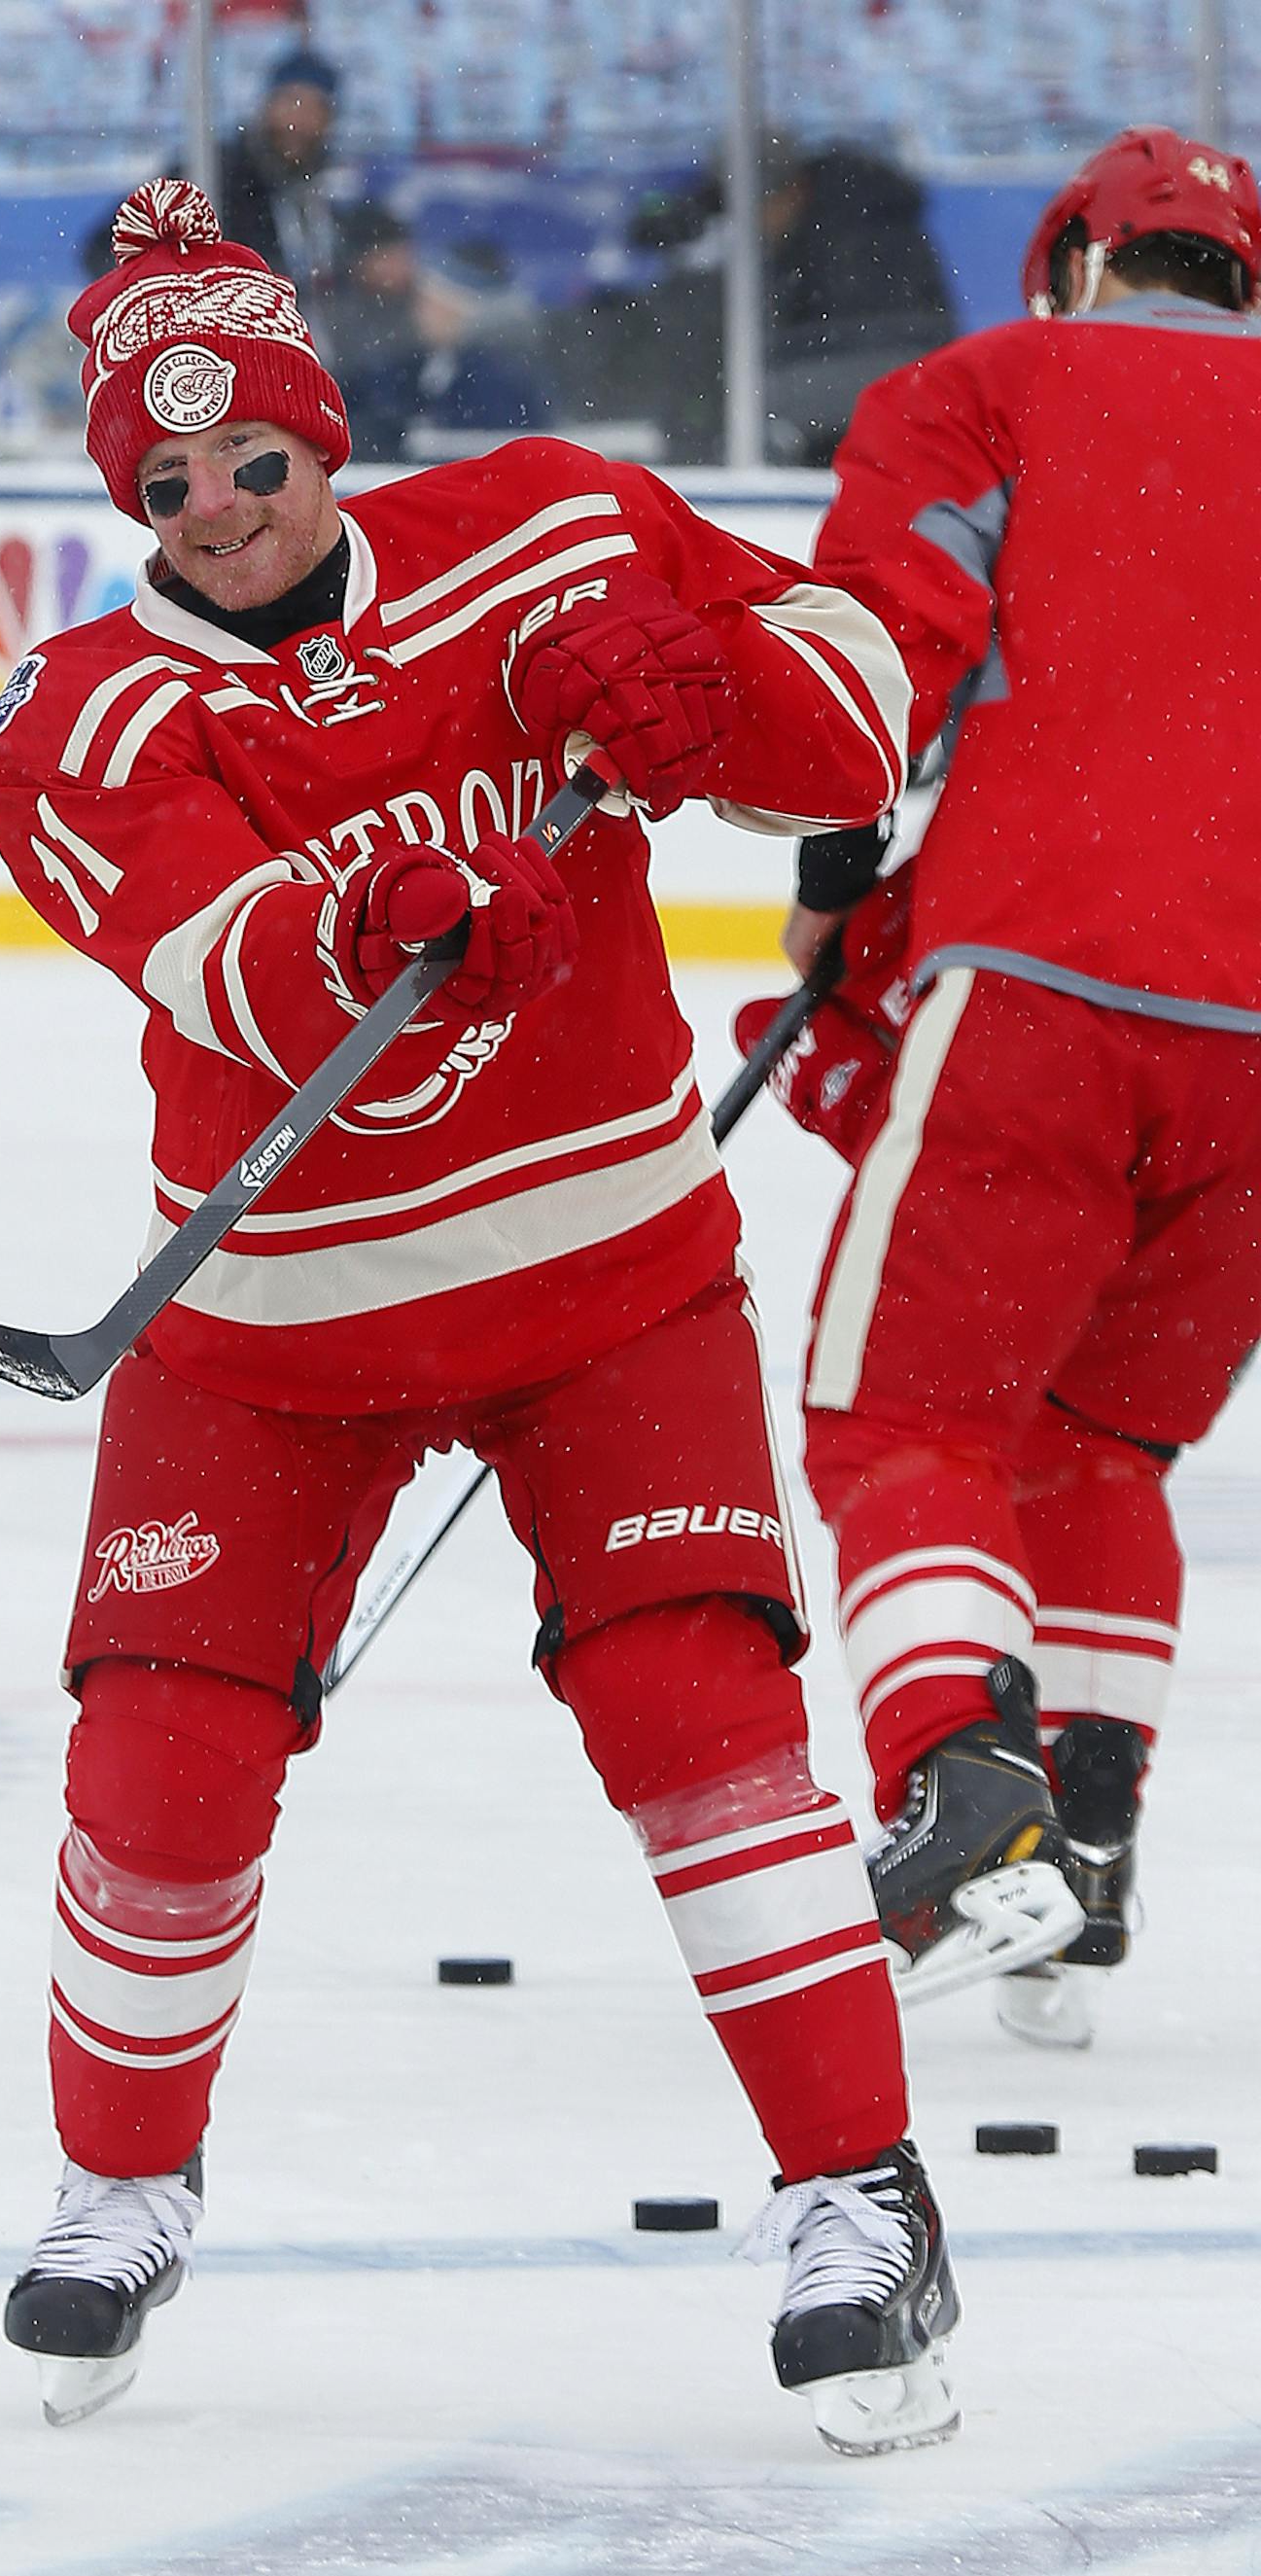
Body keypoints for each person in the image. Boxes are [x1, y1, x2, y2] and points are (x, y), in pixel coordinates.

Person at [0, 176, 961, 2453]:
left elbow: (855, 719)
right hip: (271, 1324)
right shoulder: (78, 719)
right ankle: (120, 2182)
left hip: (601, 1275)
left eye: (256, 458)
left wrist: (703, 699)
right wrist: (370, 915)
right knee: (162, 1756)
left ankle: (861, 2193)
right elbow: (210, 950)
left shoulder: (547, 528)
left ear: (322, 432)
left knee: (696, 1711)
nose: (223, 509)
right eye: (168, 483)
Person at [753, 127, 1261, 2049]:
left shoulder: (987, 386)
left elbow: (876, 666)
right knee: (1097, 1442)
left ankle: (964, 1785)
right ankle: (1088, 1851)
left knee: (904, 1422)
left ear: (1079, 261)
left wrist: (831, 894)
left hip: (1050, 986)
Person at [619, 138, 956, 466]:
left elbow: (841, 350)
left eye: (757, 208)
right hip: (860, 382)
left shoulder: (855, 241)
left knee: (741, 399)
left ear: (794, 190)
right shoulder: (823, 210)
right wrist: (688, 214)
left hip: (892, 377)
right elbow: (666, 224)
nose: (751, 225)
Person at [333, 211, 551, 460]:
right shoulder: (402, 359)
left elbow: (518, 322)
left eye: (431, 302)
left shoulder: (492, 377)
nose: (419, 310)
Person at [215, 48, 353, 338]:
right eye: (291, 102)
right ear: (267, 106)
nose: (299, 121)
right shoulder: (219, 175)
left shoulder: (332, 189)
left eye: (316, 109)